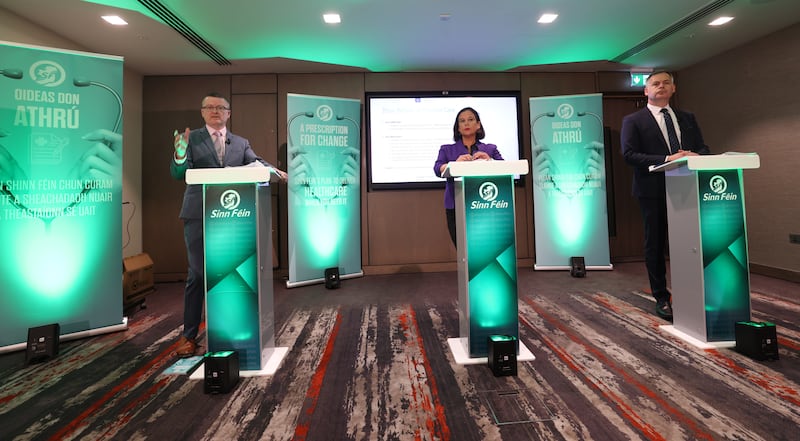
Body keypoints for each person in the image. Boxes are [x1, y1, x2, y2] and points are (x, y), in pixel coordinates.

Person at [169, 92, 287, 357]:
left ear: (229, 113)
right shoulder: (191, 139)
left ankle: (231, 330)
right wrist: (179, 154)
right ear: (202, 112)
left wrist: (275, 171)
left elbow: (255, 163)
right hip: (198, 214)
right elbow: (178, 173)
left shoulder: (240, 142)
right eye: (209, 107)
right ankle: (188, 336)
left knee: (232, 274)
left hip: (233, 217)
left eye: (221, 107)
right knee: (198, 274)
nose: (215, 111)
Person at [621, 71, 710, 320]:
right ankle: (662, 296)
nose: (661, 87)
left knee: (690, 242)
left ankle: (691, 292)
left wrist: (695, 155)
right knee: (656, 243)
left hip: (688, 187)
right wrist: (667, 159)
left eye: (666, 83)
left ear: (673, 88)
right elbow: (629, 154)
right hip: (652, 190)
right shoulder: (634, 120)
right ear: (645, 91)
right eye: (655, 84)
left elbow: (704, 147)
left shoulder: (687, 118)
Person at [433, 107, 503, 247]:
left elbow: (505, 168)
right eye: (462, 121)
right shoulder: (447, 149)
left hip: (485, 204)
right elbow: (437, 169)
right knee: (463, 248)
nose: (466, 123)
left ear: (478, 125)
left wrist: (489, 160)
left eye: (470, 120)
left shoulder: (490, 149)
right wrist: (454, 165)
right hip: (456, 204)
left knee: (484, 247)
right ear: (457, 128)